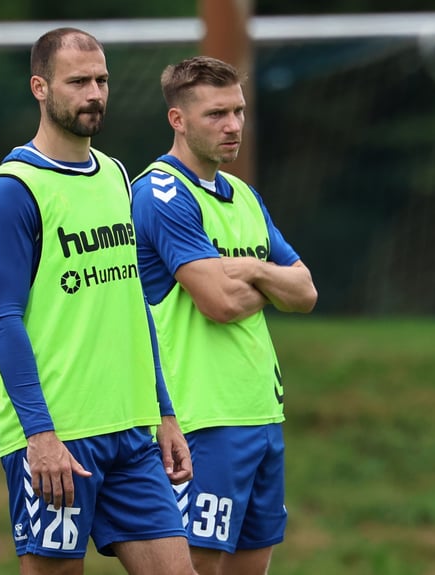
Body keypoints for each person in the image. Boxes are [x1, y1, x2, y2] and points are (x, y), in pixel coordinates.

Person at [0, 28, 198, 575]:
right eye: (78, 81)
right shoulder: (14, 188)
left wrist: (164, 411)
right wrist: (40, 435)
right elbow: (2, 319)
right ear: (40, 88)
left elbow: (132, 305)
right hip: (59, 436)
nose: (94, 92)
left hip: (130, 430)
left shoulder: (118, 176)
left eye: (101, 80)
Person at [130, 56, 319, 575]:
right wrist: (267, 281)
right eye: (216, 114)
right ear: (178, 120)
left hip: (262, 413)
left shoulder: (246, 198)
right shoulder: (162, 193)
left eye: (238, 111)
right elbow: (219, 304)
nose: (233, 125)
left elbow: (305, 292)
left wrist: (248, 268)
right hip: (202, 420)